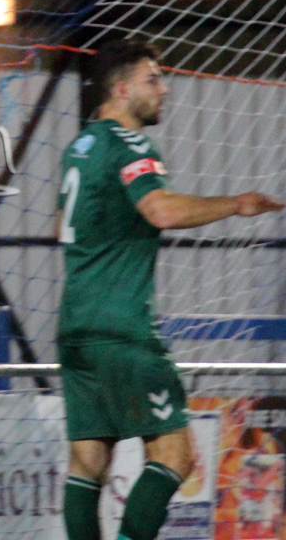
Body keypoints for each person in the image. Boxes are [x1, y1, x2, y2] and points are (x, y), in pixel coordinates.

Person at [57, 39, 285, 540]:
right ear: (121, 89)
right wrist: (237, 204)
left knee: (88, 461)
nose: (164, 89)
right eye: (153, 78)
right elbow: (161, 210)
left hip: (75, 326)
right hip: (123, 328)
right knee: (175, 456)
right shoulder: (130, 144)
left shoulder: (80, 147)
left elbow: (62, 225)